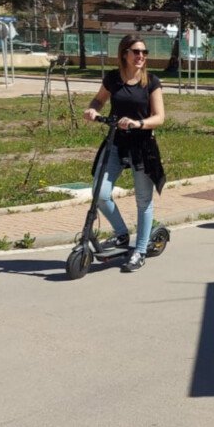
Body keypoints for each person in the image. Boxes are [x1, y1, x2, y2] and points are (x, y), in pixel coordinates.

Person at [83, 35, 165, 273]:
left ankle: (139, 251)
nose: (141, 56)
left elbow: (159, 117)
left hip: (142, 145)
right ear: (124, 54)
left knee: (143, 201)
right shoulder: (113, 79)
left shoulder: (151, 81)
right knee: (100, 191)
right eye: (136, 51)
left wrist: (138, 124)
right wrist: (92, 109)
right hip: (116, 142)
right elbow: (99, 100)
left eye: (144, 52)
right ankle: (121, 233)